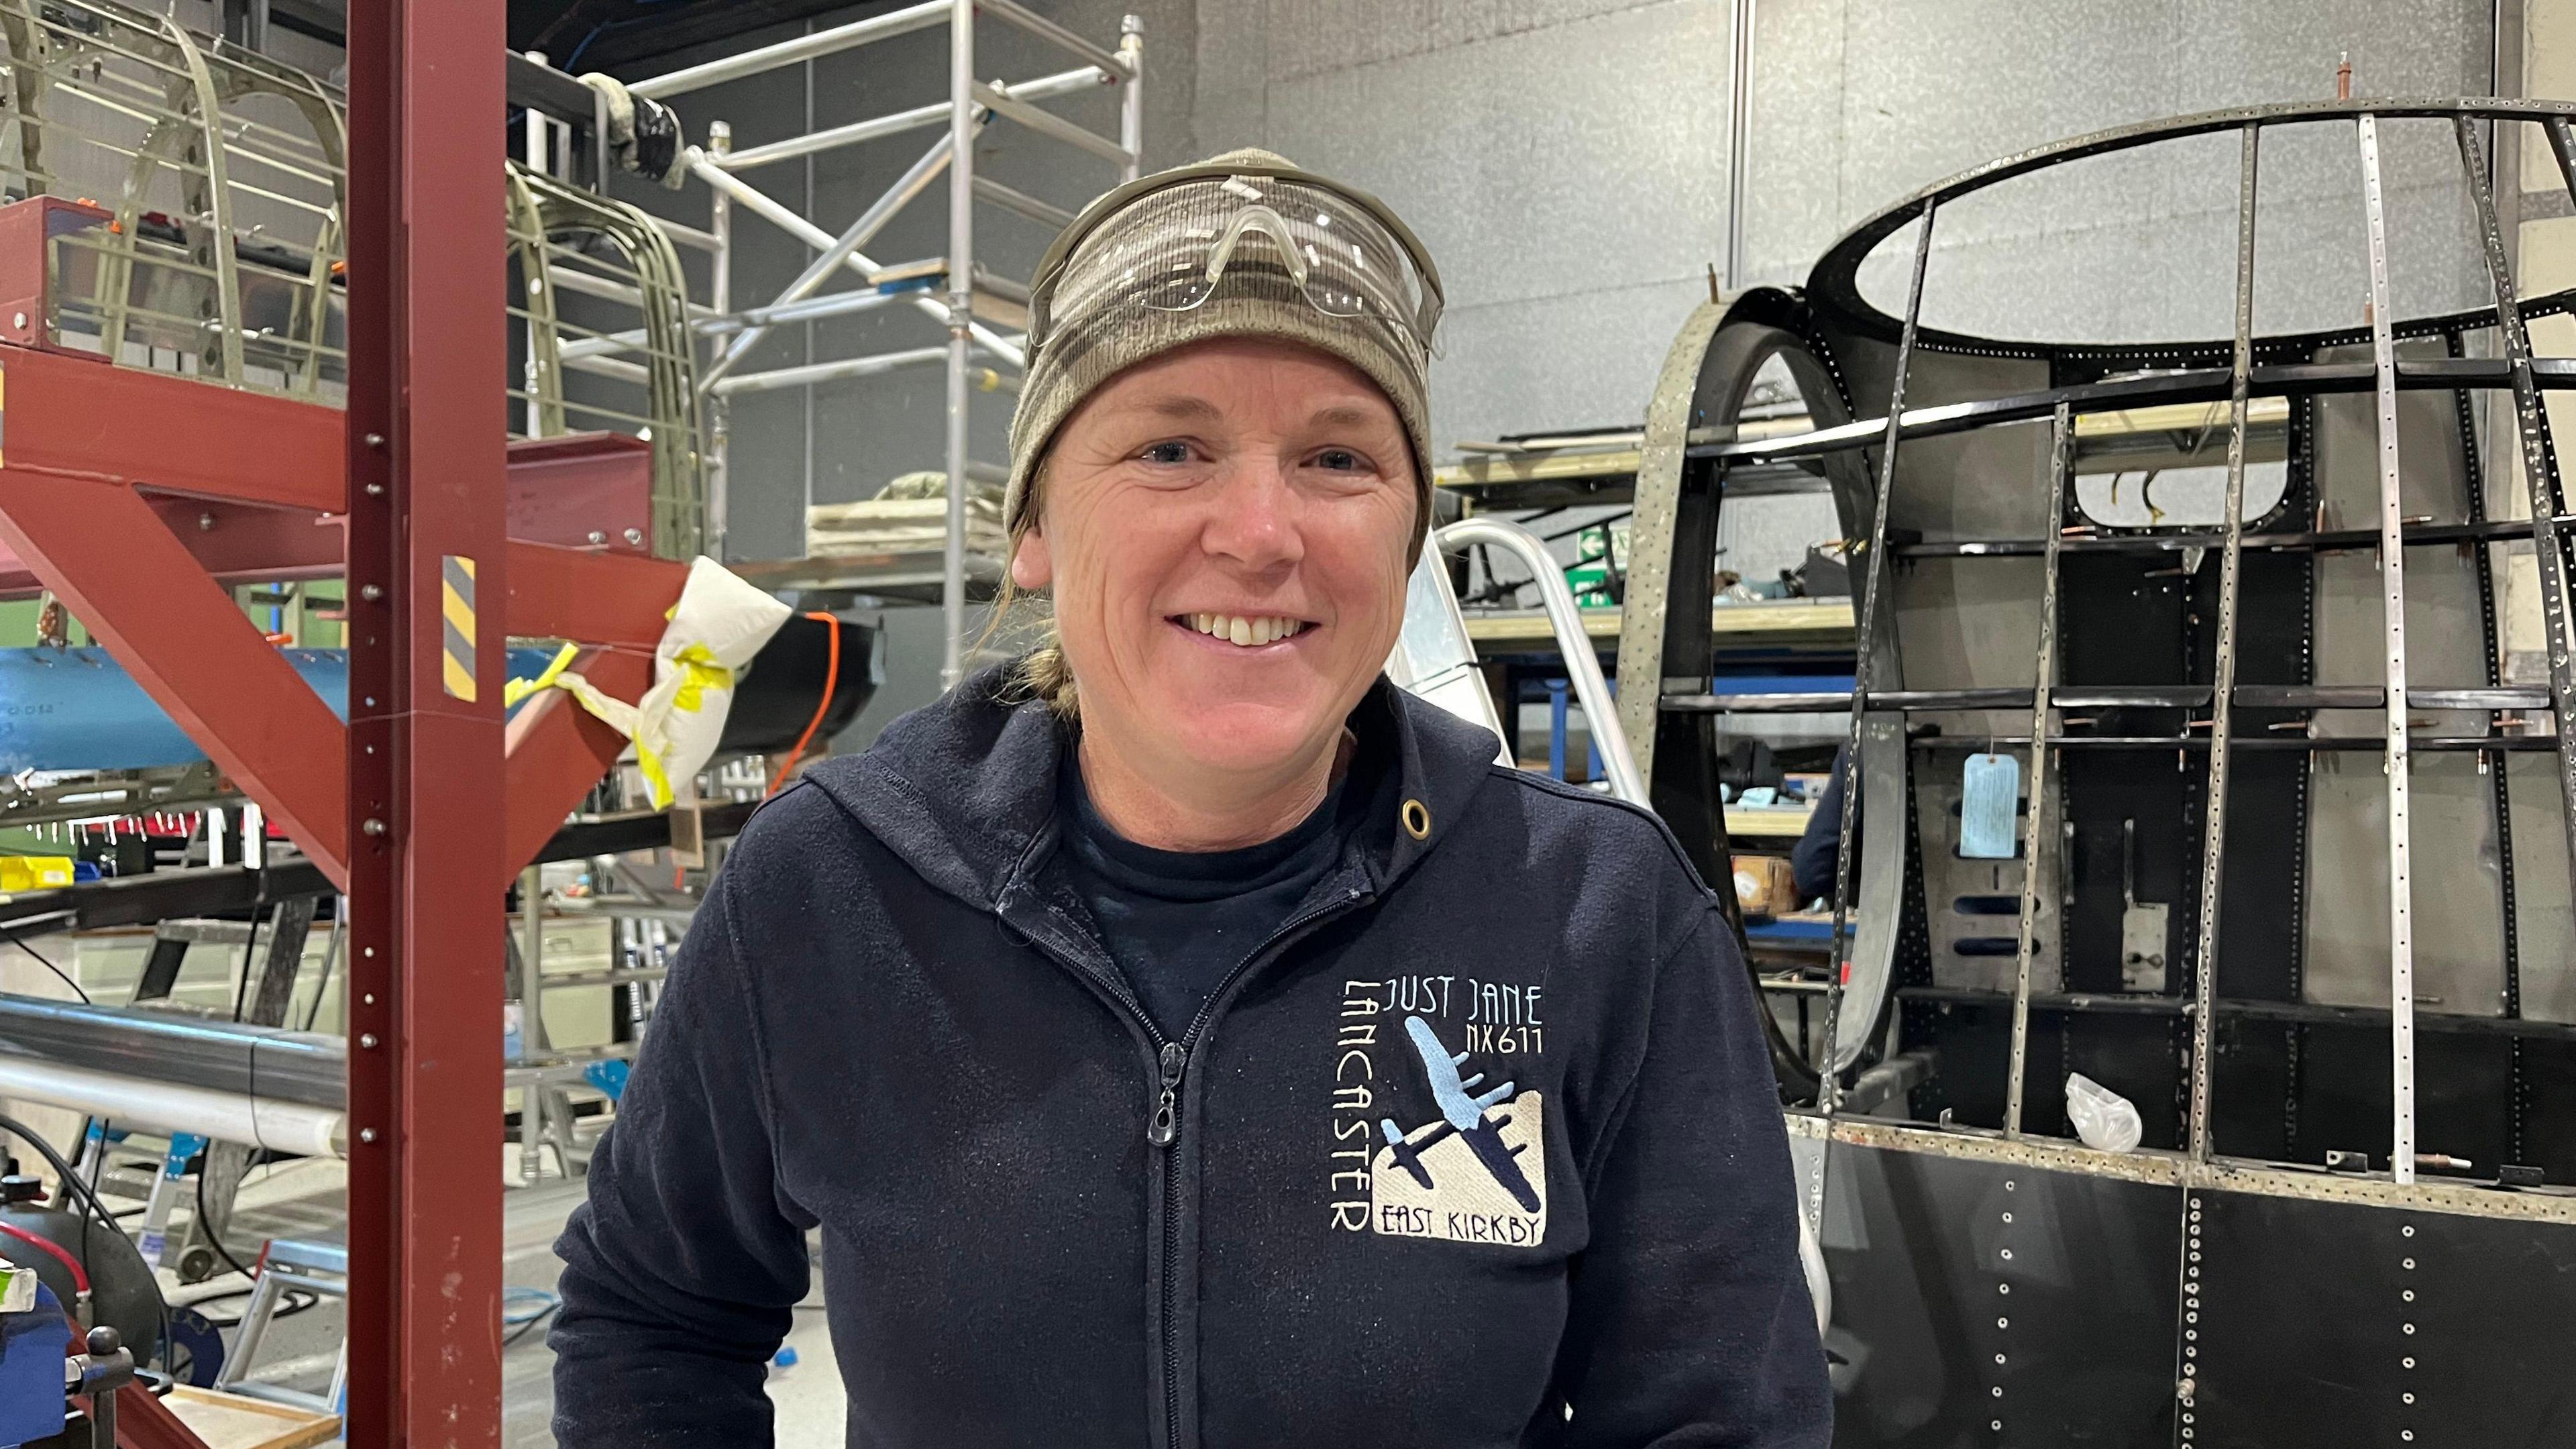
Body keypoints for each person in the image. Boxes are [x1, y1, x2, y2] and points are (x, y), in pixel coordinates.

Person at [549, 150, 1829, 1448]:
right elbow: (655, 1317)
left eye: (1338, 459)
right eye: (1171, 446)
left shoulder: (1597, 919)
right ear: (1036, 526)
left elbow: (1718, 1413)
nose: (1261, 533)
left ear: (1404, 535)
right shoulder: (831, 887)